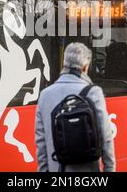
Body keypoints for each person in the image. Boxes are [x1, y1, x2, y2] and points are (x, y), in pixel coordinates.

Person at [35, 42, 115, 172]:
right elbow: (106, 138)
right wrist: (109, 169)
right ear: (85, 67)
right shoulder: (93, 93)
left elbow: (41, 144)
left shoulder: (45, 96)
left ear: (64, 65)